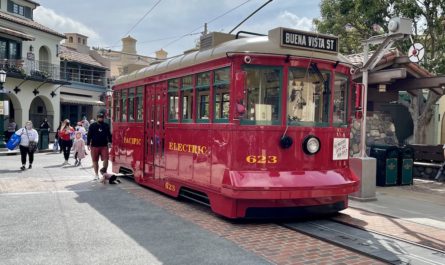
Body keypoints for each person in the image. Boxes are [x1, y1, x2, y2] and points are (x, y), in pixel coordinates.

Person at [87, 113, 112, 180]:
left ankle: (104, 172)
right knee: (95, 161)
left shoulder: (106, 125)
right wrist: (88, 143)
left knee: (106, 159)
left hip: (104, 145)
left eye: (102, 117)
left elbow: (109, 134)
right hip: (94, 146)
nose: (101, 118)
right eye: (99, 117)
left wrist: (110, 142)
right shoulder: (92, 125)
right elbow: (89, 135)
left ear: (103, 118)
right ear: (97, 118)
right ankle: (96, 174)